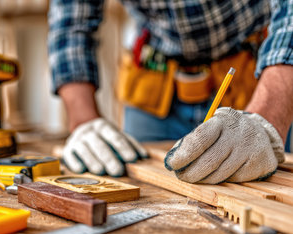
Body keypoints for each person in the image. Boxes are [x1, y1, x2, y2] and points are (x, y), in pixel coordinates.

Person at [47, 0, 293, 183]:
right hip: (156, 88)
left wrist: (266, 119)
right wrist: (83, 121)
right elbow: (71, 20)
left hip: (264, 82)